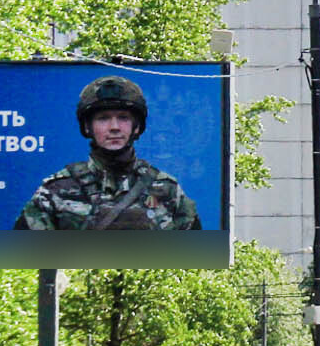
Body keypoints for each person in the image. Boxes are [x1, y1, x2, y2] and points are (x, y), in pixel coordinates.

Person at [14, 73, 202, 231]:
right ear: (87, 127)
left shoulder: (167, 190)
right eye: (103, 119)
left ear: (136, 127)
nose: (114, 127)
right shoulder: (55, 191)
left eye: (123, 118)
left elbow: (198, 266)